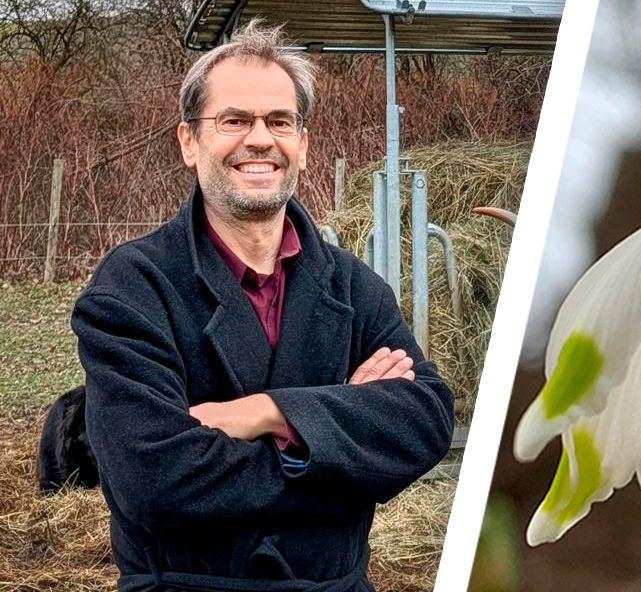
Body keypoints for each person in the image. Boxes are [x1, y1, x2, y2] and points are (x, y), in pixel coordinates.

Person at [71, 21, 454, 592]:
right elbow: (151, 478)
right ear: (188, 142)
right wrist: (337, 443)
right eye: (234, 120)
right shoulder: (133, 287)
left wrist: (266, 412)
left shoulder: (351, 284)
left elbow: (424, 422)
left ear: (302, 142)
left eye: (280, 121)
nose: (260, 139)